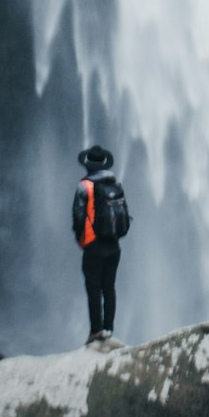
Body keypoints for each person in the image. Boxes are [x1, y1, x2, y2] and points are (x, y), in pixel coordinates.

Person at [72, 144, 130, 345]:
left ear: (88, 165)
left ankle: (96, 332)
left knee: (93, 288)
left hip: (94, 245)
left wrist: (81, 239)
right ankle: (109, 329)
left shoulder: (84, 186)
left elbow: (79, 217)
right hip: (114, 245)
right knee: (109, 288)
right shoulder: (116, 184)